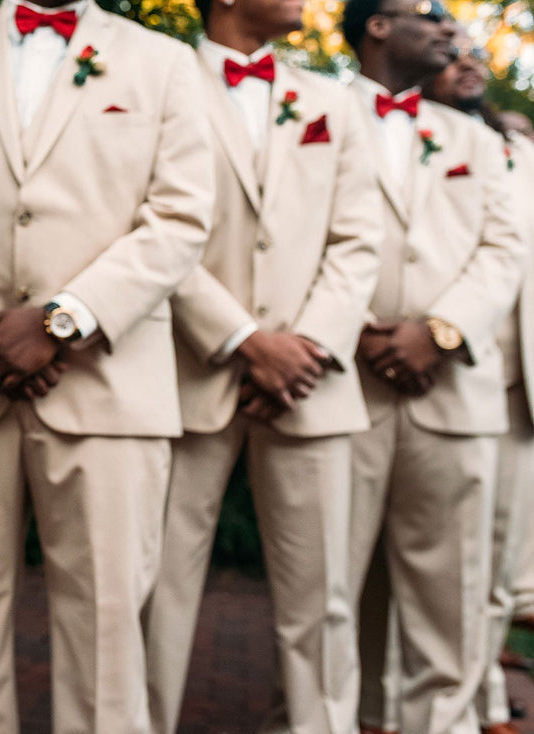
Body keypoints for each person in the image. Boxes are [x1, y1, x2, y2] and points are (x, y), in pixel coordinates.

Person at [0, 2, 214, 731]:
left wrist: (62, 319)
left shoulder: (163, 62)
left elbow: (181, 219)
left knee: (107, 646)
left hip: (110, 388)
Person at [141, 0, 384, 729]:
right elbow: (149, 221)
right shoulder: (160, 78)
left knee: (323, 597)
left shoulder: (335, 102)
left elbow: (358, 241)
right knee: (156, 587)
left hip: (311, 383)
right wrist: (244, 339)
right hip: (189, 371)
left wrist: (306, 347)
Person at [340, 1, 527, 731]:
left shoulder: (477, 141)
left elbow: (504, 249)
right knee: (328, 596)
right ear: (378, 26)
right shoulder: (315, 113)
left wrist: (439, 333)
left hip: (455, 393)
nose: (450, 28)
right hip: (342, 387)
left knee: (452, 602)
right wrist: (355, 331)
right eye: (430, 12)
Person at [423, 34, 534, 734]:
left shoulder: (516, 148)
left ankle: (485, 696)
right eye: (450, 53)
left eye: (474, 54)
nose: (467, 62)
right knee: (441, 555)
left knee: (499, 552)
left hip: (519, 383)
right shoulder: (413, 139)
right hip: (449, 368)